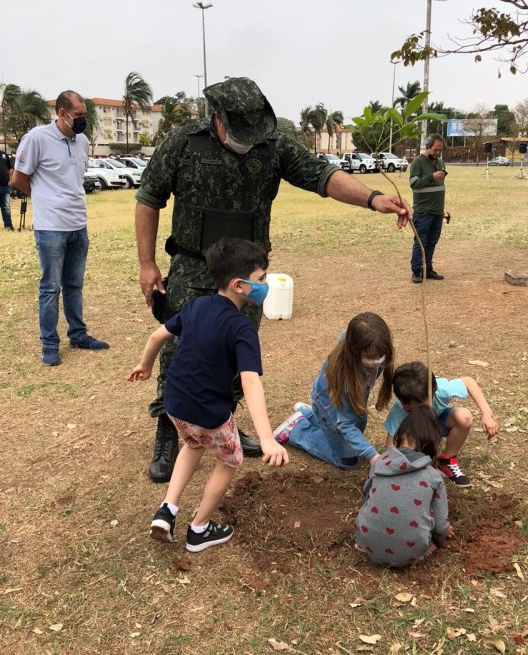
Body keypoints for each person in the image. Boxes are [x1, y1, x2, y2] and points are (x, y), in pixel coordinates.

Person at [135, 76, 411, 482]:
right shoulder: (184, 142)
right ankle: (167, 432)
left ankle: (225, 422)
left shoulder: (272, 144)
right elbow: (148, 199)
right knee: (180, 351)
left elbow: (323, 176)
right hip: (194, 268)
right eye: (240, 131)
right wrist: (146, 263)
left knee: (237, 354)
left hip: (248, 272)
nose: (249, 139)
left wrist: (373, 199)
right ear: (218, 117)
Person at [128, 237, 289, 553]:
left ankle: (167, 510)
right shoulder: (242, 329)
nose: (266, 285)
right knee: (230, 458)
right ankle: (199, 529)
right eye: (261, 279)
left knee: (193, 443)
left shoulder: (196, 305)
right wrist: (267, 438)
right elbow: (251, 383)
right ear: (239, 286)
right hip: (208, 412)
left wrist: (144, 366)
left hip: (175, 403)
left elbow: (157, 334)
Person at [10, 91, 109, 366]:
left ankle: (78, 335)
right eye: (78, 115)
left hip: (79, 224)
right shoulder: (37, 138)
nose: (82, 120)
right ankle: (49, 343)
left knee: (74, 285)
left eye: (84, 115)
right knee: (50, 287)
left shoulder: (82, 141)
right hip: (51, 227)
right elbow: (18, 179)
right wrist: (44, 199)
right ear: (62, 113)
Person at [272, 312, 394, 469]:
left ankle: (310, 414)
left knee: (356, 430)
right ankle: (297, 429)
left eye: (380, 355)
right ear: (354, 350)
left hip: (338, 404)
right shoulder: (345, 378)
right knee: (348, 460)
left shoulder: (365, 342)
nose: (377, 360)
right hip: (328, 405)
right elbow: (345, 424)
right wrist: (372, 456)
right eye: (371, 357)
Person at [355, 406, 454, 567]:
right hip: (411, 552)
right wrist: (443, 534)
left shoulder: (379, 464)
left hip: (367, 542)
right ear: (431, 443)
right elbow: (441, 525)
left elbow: (366, 498)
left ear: (399, 436)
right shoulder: (433, 476)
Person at [384, 361, 499, 488]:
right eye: (422, 404)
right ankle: (420, 465)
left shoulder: (440, 390)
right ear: (407, 405)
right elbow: (390, 447)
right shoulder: (399, 411)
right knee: (406, 446)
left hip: (438, 423)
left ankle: (446, 460)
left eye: (429, 398)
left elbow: (468, 382)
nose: (428, 404)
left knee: (464, 416)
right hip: (415, 433)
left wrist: (487, 413)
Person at [409, 134, 447, 284]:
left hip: (437, 212)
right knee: (420, 241)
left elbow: (439, 186)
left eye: (440, 150)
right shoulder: (418, 162)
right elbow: (414, 183)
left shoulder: (441, 162)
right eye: (436, 150)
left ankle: (428, 269)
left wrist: (442, 209)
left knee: (432, 242)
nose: (438, 153)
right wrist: (432, 177)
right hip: (423, 211)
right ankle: (416, 271)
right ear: (428, 148)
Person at [0, 149, 14, 230]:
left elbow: (10, 169)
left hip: (5, 185)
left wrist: (11, 180)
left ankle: (8, 226)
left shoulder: (4, 155)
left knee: (6, 207)